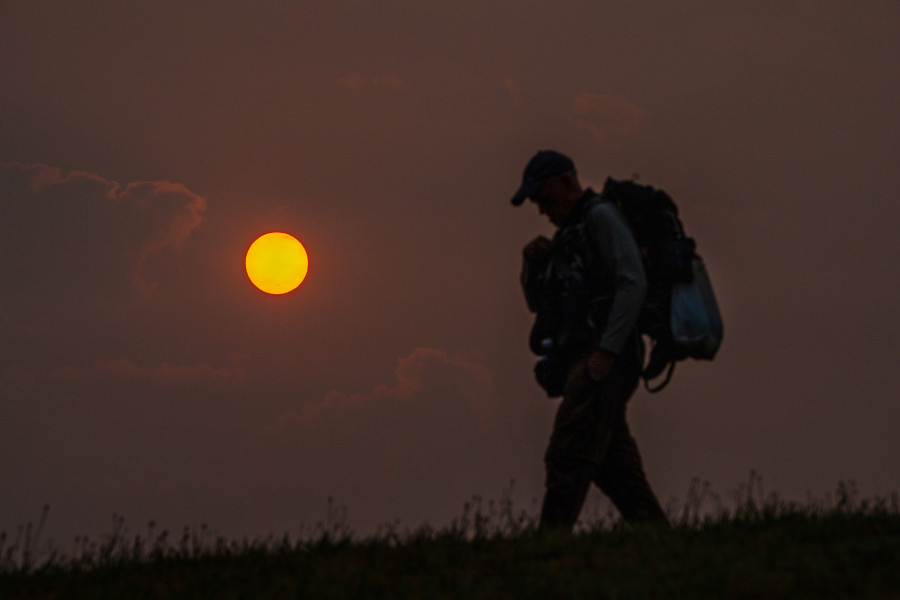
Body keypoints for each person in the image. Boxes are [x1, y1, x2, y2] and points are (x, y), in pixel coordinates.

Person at [511, 150, 667, 530]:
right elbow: (539, 303)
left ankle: (549, 544)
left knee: (569, 448)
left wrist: (608, 350)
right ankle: (658, 537)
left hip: (605, 358)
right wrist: (532, 264)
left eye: (544, 197)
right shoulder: (568, 235)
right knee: (616, 467)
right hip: (588, 354)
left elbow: (634, 282)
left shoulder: (600, 217)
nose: (541, 209)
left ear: (567, 182)